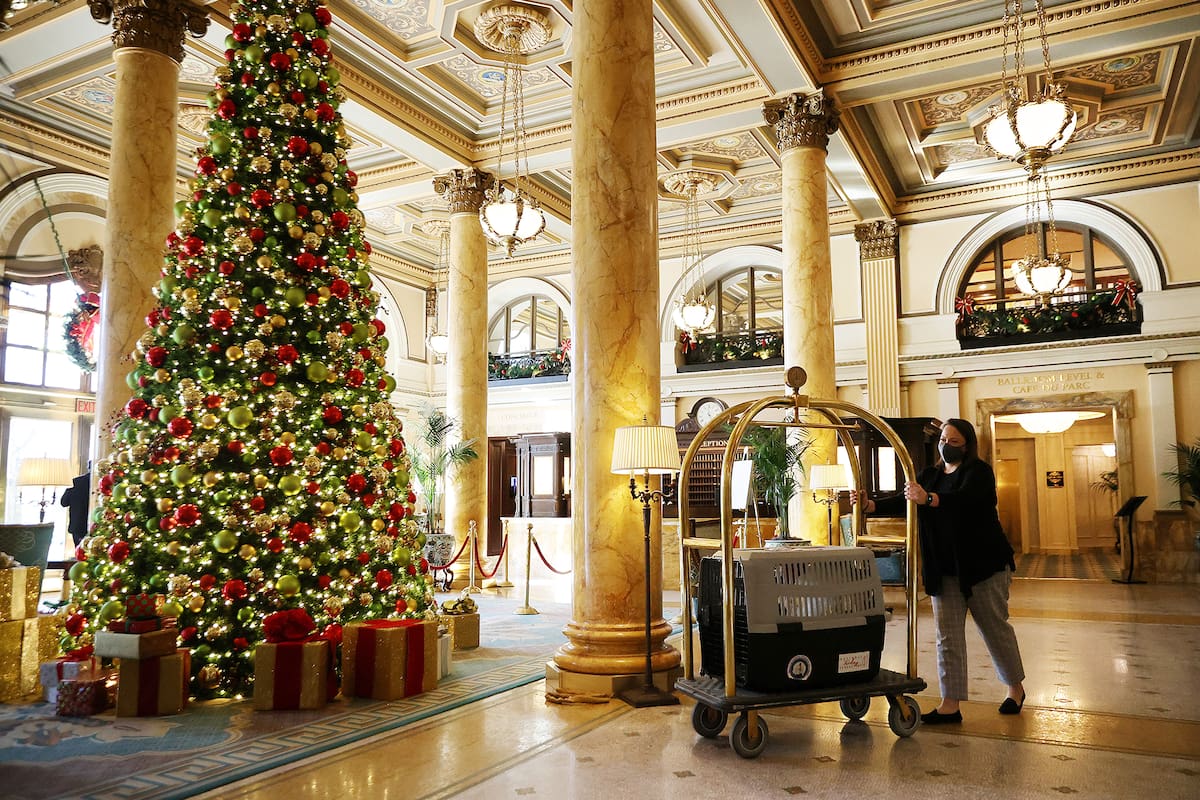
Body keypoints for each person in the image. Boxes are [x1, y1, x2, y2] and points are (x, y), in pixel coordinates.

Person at [857, 418, 1025, 724]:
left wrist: (930, 499)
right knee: (947, 638)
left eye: (953, 441)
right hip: (944, 569)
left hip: (984, 567)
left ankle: (1015, 689)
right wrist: (871, 506)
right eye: (943, 440)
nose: (946, 445)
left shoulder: (979, 472)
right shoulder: (930, 476)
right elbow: (906, 501)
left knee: (994, 630)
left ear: (967, 445)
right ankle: (950, 703)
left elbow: (966, 502)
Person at [60, 465, 91, 547]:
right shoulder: (101, 483)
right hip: (93, 524)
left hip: (77, 525)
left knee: (79, 551)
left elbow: (64, 502)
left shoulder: (75, 482)